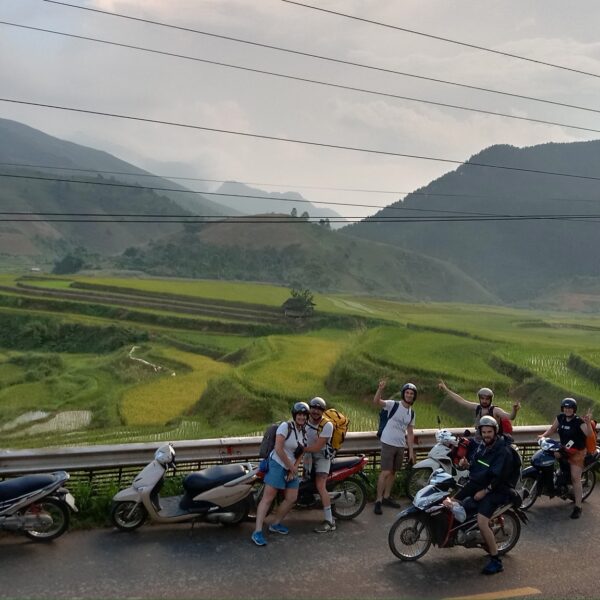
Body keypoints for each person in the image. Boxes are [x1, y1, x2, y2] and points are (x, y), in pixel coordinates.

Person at [453, 415, 514, 575]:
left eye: (489, 431)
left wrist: (484, 491)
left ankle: (496, 561)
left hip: (498, 490)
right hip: (482, 484)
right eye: (484, 431)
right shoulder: (483, 446)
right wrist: (468, 464)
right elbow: (479, 465)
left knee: (481, 521)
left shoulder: (502, 451)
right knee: (457, 502)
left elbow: (499, 477)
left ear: (495, 431)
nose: (486, 434)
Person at [251, 402, 308, 546]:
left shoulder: (304, 431)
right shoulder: (285, 427)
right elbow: (278, 448)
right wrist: (290, 467)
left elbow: (301, 451)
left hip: (291, 467)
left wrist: (293, 468)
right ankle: (257, 531)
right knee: (268, 498)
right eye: (299, 414)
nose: (301, 417)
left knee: (291, 497)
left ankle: (275, 524)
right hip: (277, 464)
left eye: (304, 415)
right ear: (295, 415)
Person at [539, 397, 593, 519]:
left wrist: (588, 423)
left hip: (577, 452)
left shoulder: (579, 421)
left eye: (570, 408)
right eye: (566, 407)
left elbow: (589, 434)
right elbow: (553, 429)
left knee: (575, 478)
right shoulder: (560, 418)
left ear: (574, 409)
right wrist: (542, 436)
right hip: (565, 449)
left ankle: (578, 507)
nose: (567, 410)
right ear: (563, 408)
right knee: (552, 459)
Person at [373, 379, 416, 515]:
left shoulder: (412, 413)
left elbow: (410, 433)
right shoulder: (394, 405)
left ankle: (386, 497)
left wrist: (410, 451)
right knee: (385, 472)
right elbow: (376, 402)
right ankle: (378, 501)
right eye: (407, 393)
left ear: (414, 396)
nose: (409, 395)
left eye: (412, 393)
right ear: (403, 394)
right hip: (388, 442)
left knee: (393, 473)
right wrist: (380, 389)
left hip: (400, 445)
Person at [303, 396, 336, 533]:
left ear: (323, 411)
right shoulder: (304, 420)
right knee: (305, 480)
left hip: (322, 456)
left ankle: (330, 521)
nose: (315, 411)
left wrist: (300, 449)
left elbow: (317, 447)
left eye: (319, 409)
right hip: (308, 455)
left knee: (320, 486)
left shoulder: (327, 425)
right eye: (313, 408)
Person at [438, 380, 520, 433]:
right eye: (482, 399)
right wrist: (446, 389)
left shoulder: (495, 411)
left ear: (491, 399)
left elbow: (510, 417)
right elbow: (461, 401)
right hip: (480, 439)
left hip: (494, 441)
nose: (484, 401)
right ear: (479, 399)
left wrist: (514, 410)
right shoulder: (477, 408)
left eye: (487, 399)